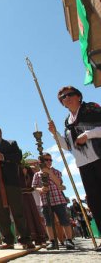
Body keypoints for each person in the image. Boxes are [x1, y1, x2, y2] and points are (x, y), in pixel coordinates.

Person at [48, 86, 101, 234]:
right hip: (84, 165)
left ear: (78, 96)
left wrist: (88, 134)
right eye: (63, 97)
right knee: (95, 202)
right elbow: (68, 146)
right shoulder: (67, 123)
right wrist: (55, 133)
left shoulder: (92, 109)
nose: (67, 98)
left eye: (70, 94)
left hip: (99, 158)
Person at [31, 153, 75, 250]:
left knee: (64, 221)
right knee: (48, 222)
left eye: (50, 160)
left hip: (58, 200)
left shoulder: (57, 172)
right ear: (40, 162)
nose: (49, 161)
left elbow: (59, 183)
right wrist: (41, 189)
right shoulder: (37, 175)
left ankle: (69, 240)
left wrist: (49, 172)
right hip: (46, 201)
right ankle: (52, 241)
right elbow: (34, 187)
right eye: (46, 160)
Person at [18, 165, 47, 245]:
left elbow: (33, 187)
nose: (24, 170)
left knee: (35, 216)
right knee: (26, 217)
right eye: (22, 169)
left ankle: (39, 238)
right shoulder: (18, 178)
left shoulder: (31, 177)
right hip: (23, 199)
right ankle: (28, 238)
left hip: (31, 199)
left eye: (25, 169)